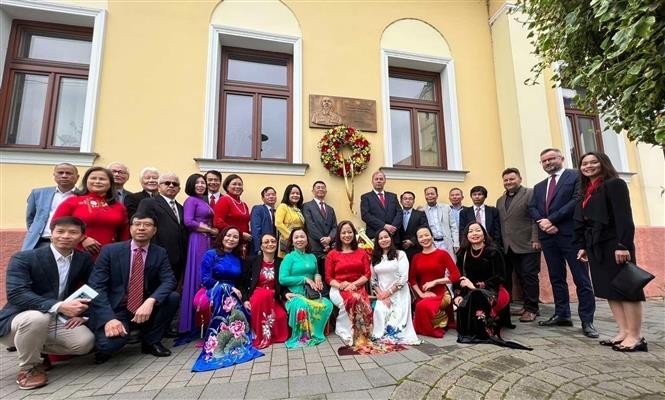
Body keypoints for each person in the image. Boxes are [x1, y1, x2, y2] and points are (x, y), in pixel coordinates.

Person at [0, 217, 95, 390]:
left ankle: (36, 349)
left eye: (73, 232)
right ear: (51, 234)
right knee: (37, 318)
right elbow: (17, 294)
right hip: (19, 319)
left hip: (54, 319)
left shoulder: (83, 260)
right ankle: (28, 369)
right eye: (60, 231)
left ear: (82, 237)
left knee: (84, 343)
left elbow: (93, 289)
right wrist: (59, 306)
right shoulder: (24, 258)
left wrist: (83, 314)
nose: (66, 236)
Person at [574, 152, 646, 351]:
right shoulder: (586, 190)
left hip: (615, 245)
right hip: (596, 246)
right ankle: (623, 331)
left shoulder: (615, 184)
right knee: (609, 290)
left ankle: (636, 336)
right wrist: (583, 247)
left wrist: (623, 245)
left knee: (626, 289)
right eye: (584, 163)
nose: (588, 166)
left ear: (603, 163)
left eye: (593, 162)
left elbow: (624, 218)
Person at [88, 214, 179, 364]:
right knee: (108, 345)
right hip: (118, 308)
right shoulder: (110, 251)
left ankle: (151, 342)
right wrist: (109, 318)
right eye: (137, 224)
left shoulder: (159, 252)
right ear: (130, 228)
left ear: (154, 230)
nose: (142, 228)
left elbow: (169, 280)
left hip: (144, 307)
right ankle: (111, 341)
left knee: (172, 297)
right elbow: (96, 286)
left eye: (147, 225)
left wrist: (151, 301)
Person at [529, 148, 597, 338]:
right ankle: (562, 314)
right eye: (544, 161)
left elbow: (577, 200)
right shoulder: (539, 186)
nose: (548, 163)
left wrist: (552, 220)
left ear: (562, 158)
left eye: (551, 159)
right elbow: (533, 207)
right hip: (548, 238)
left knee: (581, 279)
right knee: (556, 277)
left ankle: (587, 320)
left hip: (570, 236)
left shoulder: (575, 177)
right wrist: (543, 223)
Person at [192, 227, 263, 371]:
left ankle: (237, 336)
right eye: (228, 235)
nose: (231, 239)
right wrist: (227, 287)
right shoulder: (211, 254)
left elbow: (241, 282)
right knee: (225, 292)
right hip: (215, 289)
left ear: (239, 241)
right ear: (222, 237)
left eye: (235, 237)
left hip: (234, 291)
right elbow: (205, 279)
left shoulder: (238, 259)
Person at [453, 222, 528, 349]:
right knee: (468, 299)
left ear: (484, 233)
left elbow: (500, 277)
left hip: (493, 290)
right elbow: (458, 278)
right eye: (470, 231)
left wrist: (475, 286)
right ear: (466, 235)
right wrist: (458, 295)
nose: (474, 234)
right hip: (469, 291)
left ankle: (484, 332)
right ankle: (471, 331)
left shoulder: (493, 251)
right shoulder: (463, 253)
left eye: (478, 230)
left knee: (477, 295)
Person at [52, 166, 129, 259]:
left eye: (102, 179)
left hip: (109, 256)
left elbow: (124, 233)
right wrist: (83, 238)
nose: (97, 181)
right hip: (77, 253)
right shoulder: (72, 201)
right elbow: (55, 224)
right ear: (86, 181)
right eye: (93, 178)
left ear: (110, 183)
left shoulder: (118, 206)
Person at [496, 168, 541, 322]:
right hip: (508, 246)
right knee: (519, 278)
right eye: (506, 180)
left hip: (528, 244)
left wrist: (536, 239)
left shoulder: (530, 193)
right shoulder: (500, 200)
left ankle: (532, 309)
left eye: (512, 179)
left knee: (529, 277)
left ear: (520, 179)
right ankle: (525, 305)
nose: (508, 182)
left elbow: (536, 218)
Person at [279, 228, 333, 348]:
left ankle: (315, 332)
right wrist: (304, 279)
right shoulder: (289, 258)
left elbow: (316, 272)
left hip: (311, 294)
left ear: (307, 240)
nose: (299, 240)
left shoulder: (312, 257)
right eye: (296, 237)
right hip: (295, 294)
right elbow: (282, 279)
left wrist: (317, 276)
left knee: (327, 304)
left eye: (302, 237)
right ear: (292, 241)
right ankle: (303, 336)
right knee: (302, 306)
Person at [178, 174, 218, 335]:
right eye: (198, 183)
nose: (201, 185)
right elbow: (188, 222)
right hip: (198, 240)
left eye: (203, 182)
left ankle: (206, 317)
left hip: (208, 239)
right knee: (199, 274)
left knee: (209, 272)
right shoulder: (190, 201)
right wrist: (209, 230)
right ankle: (192, 323)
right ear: (191, 185)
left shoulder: (204, 201)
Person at [325, 221, 372, 346]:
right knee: (352, 299)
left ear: (354, 234)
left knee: (357, 298)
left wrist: (354, 284)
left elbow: (367, 274)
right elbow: (329, 278)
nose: (347, 235)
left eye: (349, 232)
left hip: (358, 286)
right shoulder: (332, 254)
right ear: (339, 235)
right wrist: (341, 285)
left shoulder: (362, 253)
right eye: (343, 232)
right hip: (338, 288)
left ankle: (359, 330)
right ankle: (344, 329)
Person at [370, 229, 420, 345]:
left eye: (386, 237)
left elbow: (403, 278)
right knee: (380, 310)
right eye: (380, 238)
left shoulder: (400, 254)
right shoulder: (375, 258)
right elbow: (373, 281)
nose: (384, 240)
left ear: (391, 238)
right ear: (377, 242)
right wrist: (382, 295)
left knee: (396, 321)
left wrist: (388, 293)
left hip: (399, 292)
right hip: (382, 293)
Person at [136, 173, 188, 282]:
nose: (171, 186)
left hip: (178, 260)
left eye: (175, 184)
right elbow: (142, 227)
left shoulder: (181, 208)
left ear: (179, 189)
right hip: (156, 257)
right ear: (159, 187)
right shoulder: (148, 203)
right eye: (167, 183)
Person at [409, 226, 460, 337]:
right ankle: (439, 321)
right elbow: (412, 279)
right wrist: (421, 294)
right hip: (424, 294)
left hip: (442, 293)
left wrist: (436, 282)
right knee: (422, 305)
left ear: (432, 236)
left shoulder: (442, 254)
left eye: (427, 235)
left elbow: (456, 276)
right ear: (417, 240)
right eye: (420, 236)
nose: (424, 238)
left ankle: (440, 322)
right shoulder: (416, 257)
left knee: (423, 306)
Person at [241, 233, 288, 349]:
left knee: (281, 316)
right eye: (266, 242)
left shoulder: (281, 262)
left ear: (276, 244)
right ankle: (260, 335)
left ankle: (269, 335)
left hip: (272, 298)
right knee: (263, 294)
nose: (270, 244)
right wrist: (245, 299)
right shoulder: (251, 261)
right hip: (257, 295)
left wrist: (285, 294)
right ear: (261, 246)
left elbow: (283, 284)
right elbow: (243, 283)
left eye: (273, 241)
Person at [22, 163, 79, 250]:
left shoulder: (83, 196)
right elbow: (30, 217)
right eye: (60, 173)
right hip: (40, 242)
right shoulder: (38, 193)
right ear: (54, 175)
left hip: (69, 244)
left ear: (77, 177)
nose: (64, 176)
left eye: (68, 173)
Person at [302, 181, 338, 274]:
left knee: (329, 274)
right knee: (315, 274)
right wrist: (323, 241)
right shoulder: (307, 206)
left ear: (325, 191)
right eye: (318, 187)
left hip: (329, 248)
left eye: (323, 187)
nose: (321, 189)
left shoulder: (330, 209)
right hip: (314, 246)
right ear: (313, 191)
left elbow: (335, 227)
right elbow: (310, 225)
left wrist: (329, 238)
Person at [213, 174, 252, 255]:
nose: (237, 186)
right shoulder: (224, 200)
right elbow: (218, 222)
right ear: (227, 186)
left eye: (240, 184)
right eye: (234, 184)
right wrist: (240, 233)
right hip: (229, 243)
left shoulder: (244, 204)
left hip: (243, 243)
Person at [360, 170, 402, 240]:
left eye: (381, 179)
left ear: (384, 181)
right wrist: (384, 226)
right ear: (372, 181)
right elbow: (365, 215)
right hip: (375, 235)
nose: (379, 181)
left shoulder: (393, 196)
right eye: (376, 179)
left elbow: (399, 212)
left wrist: (392, 228)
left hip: (393, 235)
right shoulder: (366, 197)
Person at [422, 186, 459, 260]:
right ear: (425, 196)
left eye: (432, 194)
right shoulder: (422, 210)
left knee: (449, 266)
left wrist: (456, 243)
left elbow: (453, 227)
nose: (430, 196)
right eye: (427, 194)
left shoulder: (446, 208)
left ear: (437, 195)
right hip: (432, 244)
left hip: (447, 242)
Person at [275, 184, 305, 258]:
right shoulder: (283, 206)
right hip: (287, 241)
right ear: (287, 194)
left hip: (299, 241)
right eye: (292, 193)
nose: (295, 195)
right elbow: (278, 223)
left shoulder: (299, 209)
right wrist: (292, 237)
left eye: (298, 193)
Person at [398, 191, 429, 261]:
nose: (408, 200)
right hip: (399, 249)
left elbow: (424, 228)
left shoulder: (420, 214)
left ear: (413, 201)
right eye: (405, 199)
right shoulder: (396, 214)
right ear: (401, 201)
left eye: (410, 199)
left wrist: (412, 241)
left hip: (415, 248)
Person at [250, 187, 278, 256]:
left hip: (274, 247)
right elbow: (255, 229)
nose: (271, 196)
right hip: (262, 247)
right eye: (268, 195)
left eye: (273, 194)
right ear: (262, 198)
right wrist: (258, 248)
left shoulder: (277, 212)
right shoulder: (258, 209)